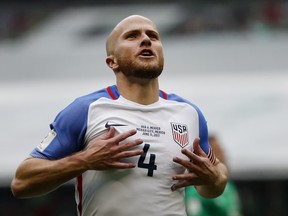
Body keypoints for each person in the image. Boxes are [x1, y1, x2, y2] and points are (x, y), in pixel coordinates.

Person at [11, 15, 228, 216]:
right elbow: (21, 183)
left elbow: (212, 185)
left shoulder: (188, 113)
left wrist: (214, 178)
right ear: (111, 61)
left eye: (152, 36)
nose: (145, 40)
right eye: (132, 36)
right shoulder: (86, 110)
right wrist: (85, 161)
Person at [185, 135, 242, 216]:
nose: (223, 154)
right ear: (206, 156)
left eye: (222, 150)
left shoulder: (228, 184)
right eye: (218, 151)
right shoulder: (197, 186)